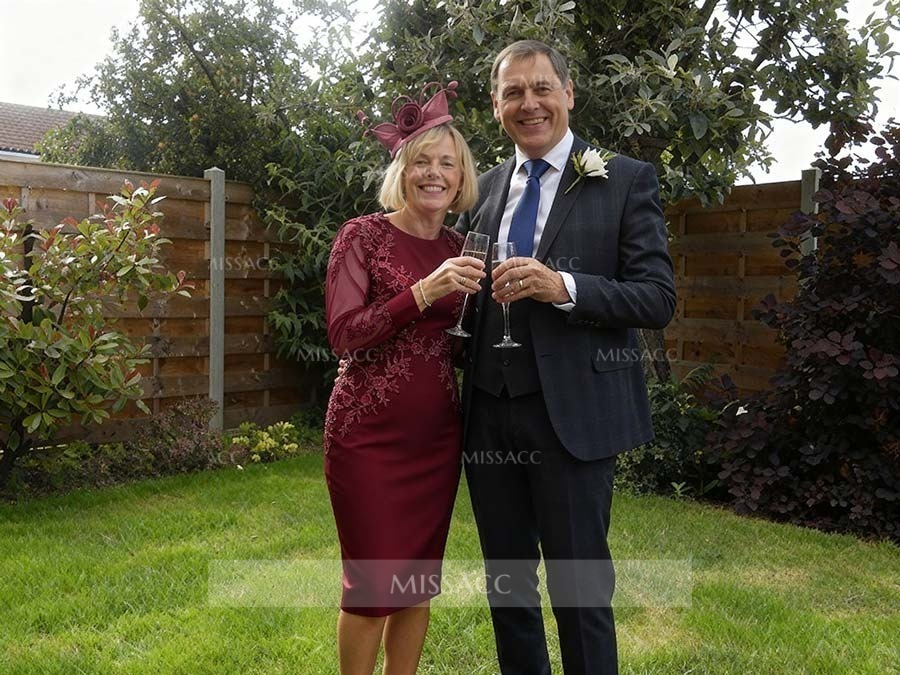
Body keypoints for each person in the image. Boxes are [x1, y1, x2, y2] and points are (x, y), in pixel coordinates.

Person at [456, 40, 676, 674]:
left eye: (541, 88)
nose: (529, 103)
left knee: (580, 594)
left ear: (569, 94)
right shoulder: (484, 189)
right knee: (509, 589)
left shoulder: (624, 178)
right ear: (496, 105)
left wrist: (565, 287)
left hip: (574, 417)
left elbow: (657, 297)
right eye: (513, 92)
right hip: (488, 413)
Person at [323, 81, 484, 675]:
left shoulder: (463, 245)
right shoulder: (361, 235)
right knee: (371, 590)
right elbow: (344, 334)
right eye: (422, 162)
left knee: (416, 585)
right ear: (403, 171)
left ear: (461, 178)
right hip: (366, 436)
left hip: (435, 438)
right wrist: (422, 292)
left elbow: (461, 345)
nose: (434, 174)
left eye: (447, 164)